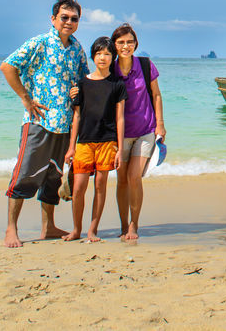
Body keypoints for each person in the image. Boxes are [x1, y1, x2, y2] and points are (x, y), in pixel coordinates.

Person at [0, 0, 88, 248]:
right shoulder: (39, 43)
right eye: (64, 17)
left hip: (65, 123)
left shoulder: (77, 49)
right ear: (53, 19)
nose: (69, 22)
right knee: (24, 174)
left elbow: (82, 81)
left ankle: (48, 227)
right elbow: (8, 67)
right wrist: (26, 99)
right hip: (39, 121)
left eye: (74, 19)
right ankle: (11, 229)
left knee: (53, 176)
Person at [63, 37, 126, 243]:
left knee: (100, 185)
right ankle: (75, 229)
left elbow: (120, 117)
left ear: (112, 57)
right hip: (84, 143)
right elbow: (77, 117)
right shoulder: (82, 83)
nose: (103, 57)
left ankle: (92, 230)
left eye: (107, 54)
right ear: (93, 56)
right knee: (79, 187)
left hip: (107, 142)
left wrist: (120, 148)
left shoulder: (117, 84)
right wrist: (71, 147)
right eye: (99, 54)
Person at [110, 23, 164, 243]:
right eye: (121, 42)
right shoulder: (109, 69)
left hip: (145, 130)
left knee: (134, 177)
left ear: (136, 44)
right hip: (119, 135)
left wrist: (160, 123)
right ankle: (123, 224)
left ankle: (134, 223)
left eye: (130, 42)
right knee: (121, 180)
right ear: (114, 45)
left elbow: (157, 95)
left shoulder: (145, 65)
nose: (126, 46)